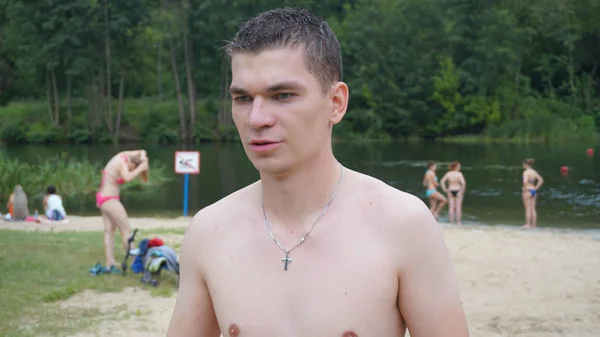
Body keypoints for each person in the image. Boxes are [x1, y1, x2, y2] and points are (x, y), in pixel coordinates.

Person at [167, 8, 469, 337]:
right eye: (242, 98)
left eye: (282, 95)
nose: (256, 119)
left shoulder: (403, 224)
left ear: (336, 102)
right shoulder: (209, 232)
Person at [96, 149, 148, 273]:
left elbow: (142, 151)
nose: (130, 169)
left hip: (102, 198)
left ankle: (110, 261)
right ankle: (137, 262)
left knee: (109, 231)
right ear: (131, 163)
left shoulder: (120, 155)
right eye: (132, 168)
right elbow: (127, 178)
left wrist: (144, 159)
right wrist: (141, 168)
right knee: (125, 230)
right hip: (110, 200)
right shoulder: (123, 163)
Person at [522, 158, 544, 228]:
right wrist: (536, 188)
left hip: (527, 191)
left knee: (527, 208)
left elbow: (525, 181)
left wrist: (526, 188)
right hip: (533, 190)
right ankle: (534, 225)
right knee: (533, 208)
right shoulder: (534, 172)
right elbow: (541, 180)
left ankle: (528, 224)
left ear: (525, 164)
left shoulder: (526, 172)